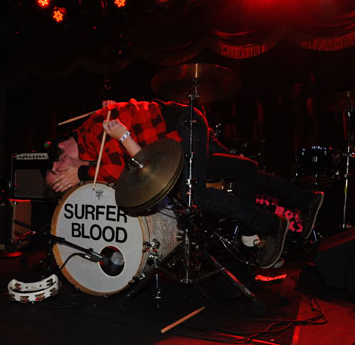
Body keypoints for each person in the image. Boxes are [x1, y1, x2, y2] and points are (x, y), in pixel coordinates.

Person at [46, 99, 324, 269]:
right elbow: (134, 166)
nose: (66, 170)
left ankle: (271, 225)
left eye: (61, 166)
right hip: (178, 139)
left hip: (184, 125)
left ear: (61, 148)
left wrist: (82, 173)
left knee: (195, 195)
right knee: (243, 170)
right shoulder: (90, 148)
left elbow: (119, 170)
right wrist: (83, 169)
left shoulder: (92, 129)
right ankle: (305, 200)